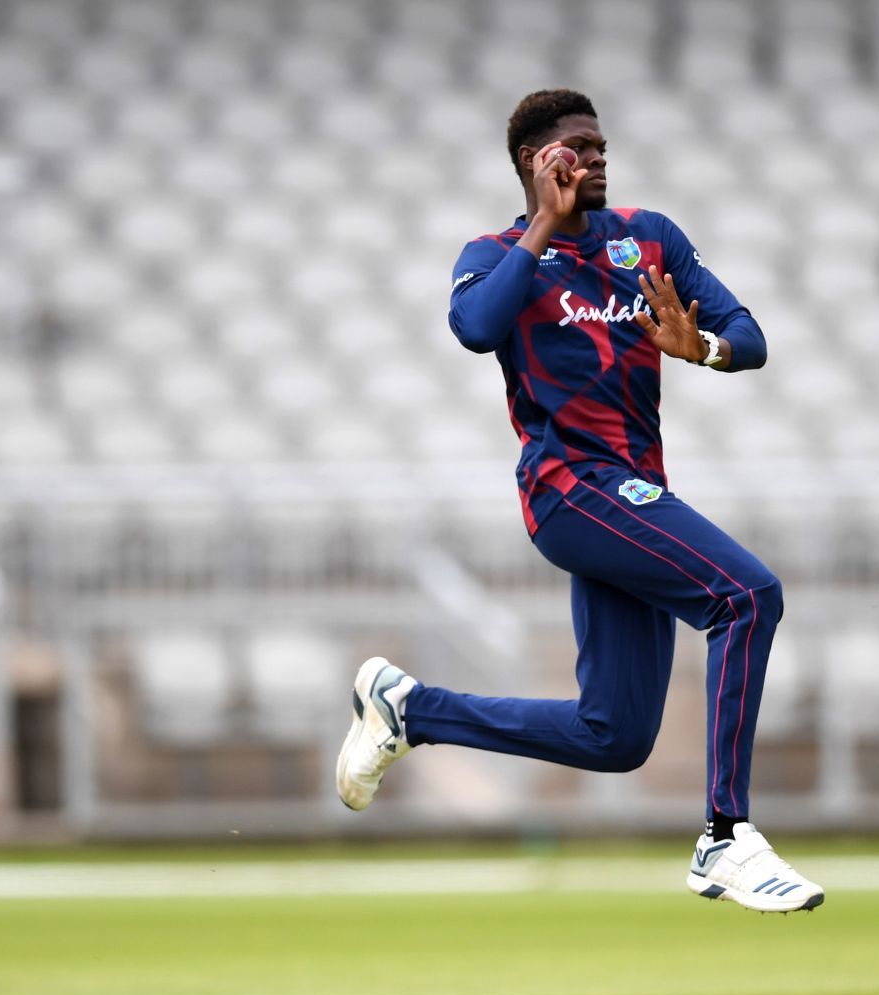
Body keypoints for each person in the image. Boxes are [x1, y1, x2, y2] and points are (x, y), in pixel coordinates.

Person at [336, 90, 822, 913]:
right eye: (577, 148)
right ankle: (726, 836)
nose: (595, 158)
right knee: (747, 595)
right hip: (570, 488)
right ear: (537, 162)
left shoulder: (648, 238)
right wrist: (540, 228)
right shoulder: (495, 252)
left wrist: (700, 346)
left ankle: (409, 707)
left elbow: (752, 336)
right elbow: (476, 328)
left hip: (632, 496)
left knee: (616, 736)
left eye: (600, 145)